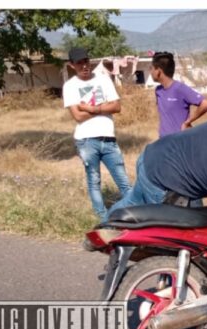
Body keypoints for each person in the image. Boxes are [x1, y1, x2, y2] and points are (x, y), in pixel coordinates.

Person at [63, 47, 131, 220]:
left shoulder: (103, 79)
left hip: (108, 138)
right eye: (79, 63)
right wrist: (103, 108)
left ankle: (134, 214)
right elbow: (78, 116)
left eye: (86, 61)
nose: (84, 66)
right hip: (86, 141)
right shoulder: (70, 86)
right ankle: (103, 219)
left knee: (124, 181)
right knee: (94, 181)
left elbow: (117, 107)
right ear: (71, 65)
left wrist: (91, 108)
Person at [150, 51, 207, 138]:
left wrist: (188, 122)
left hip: (180, 140)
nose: (151, 72)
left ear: (158, 71)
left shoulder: (180, 89)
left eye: (151, 68)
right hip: (163, 140)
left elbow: (206, 104)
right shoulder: (158, 91)